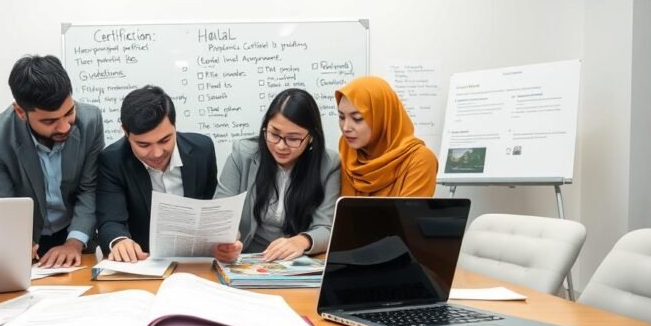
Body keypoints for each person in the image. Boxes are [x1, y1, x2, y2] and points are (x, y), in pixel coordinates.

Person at [0, 55, 104, 267]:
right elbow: (2, 207)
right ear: (20, 112)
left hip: (76, 235)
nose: (64, 127)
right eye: (49, 121)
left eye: (69, 112)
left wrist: (74, 243)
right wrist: (17, 242)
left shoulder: (91, 121)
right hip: (26, 242)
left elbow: (90, 189)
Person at [213, 88, 341, 263]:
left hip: (295, 262)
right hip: (245, 258)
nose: (281, 146)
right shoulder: (243, 154)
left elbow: (326, 228)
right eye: (274, 134)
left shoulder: (328, 165)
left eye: (293, 139)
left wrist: (301, 241)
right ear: (265, 127)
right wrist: (228, 242)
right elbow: (220, 213)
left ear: (311, 137)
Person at [97, 86, 218, 262]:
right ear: (125, 132)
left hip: (197, 261)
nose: (157, 153)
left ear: (174, 126)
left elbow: (212, 206)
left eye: (165, 140)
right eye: (144, 145)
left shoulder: (202, 149)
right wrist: (120, 241)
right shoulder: (112, 160)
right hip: (144, 261)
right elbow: (110, 220)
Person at [336, 76, 438, 197]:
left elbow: (410, 215)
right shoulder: (347, 153)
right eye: (341, 117)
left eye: (357, 119)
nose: (346, 127)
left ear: (382, 118)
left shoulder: (419, 159)